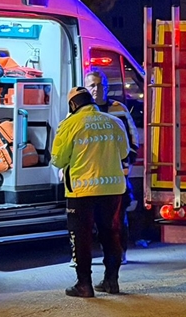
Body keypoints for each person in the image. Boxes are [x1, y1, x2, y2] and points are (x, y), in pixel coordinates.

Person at [53, 87, 130, 297]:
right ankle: (111, 281)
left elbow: (58, 159)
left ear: (73, 105)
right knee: (111, 234)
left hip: (81, 192)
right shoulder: (115, 122)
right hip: (113, 188)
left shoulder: (69, 124)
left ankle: (84, 285)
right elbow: (124, 152)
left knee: (81, 237)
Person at [83, 70, 139, 262]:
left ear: (106, 88)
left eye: (100, 85)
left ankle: (119, 254)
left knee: (116, 219)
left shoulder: (119, 109)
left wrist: (125, 164)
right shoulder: (79, 112)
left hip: (116, 175)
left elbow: (133, 141)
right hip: (90, 176)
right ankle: (89, 256)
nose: (96, 90)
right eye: (91, 85)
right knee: (89, 220)